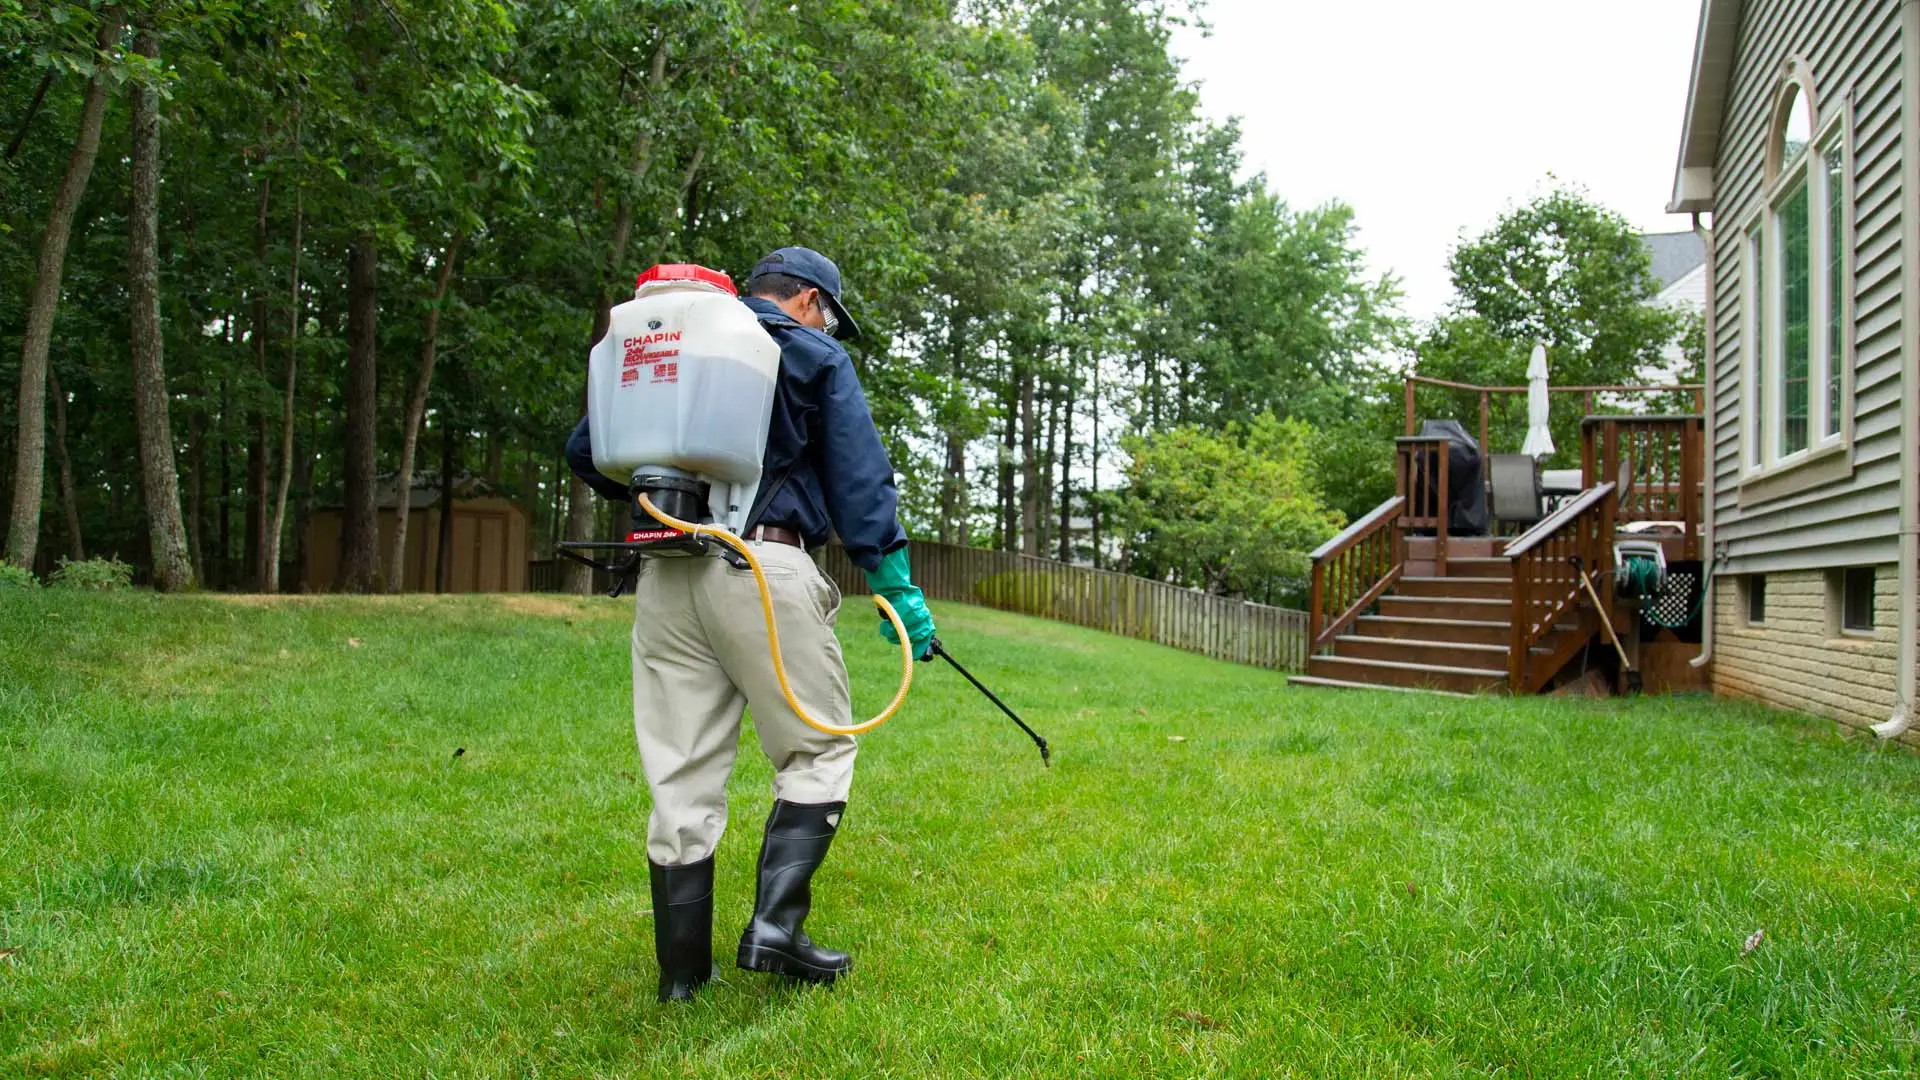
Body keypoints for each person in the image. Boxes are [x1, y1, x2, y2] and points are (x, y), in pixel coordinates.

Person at [564, 246, 937, 1002]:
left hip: (667, 573)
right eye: (828, 312)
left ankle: (681, 980)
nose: (828, 324)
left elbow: (584, 451)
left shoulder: (672, 344)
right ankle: (775, 930)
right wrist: (893, 584)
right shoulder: (810, 354)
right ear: (804, 300)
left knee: (681, 773)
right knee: (820, 749)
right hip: (763, 567)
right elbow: (859, 477)